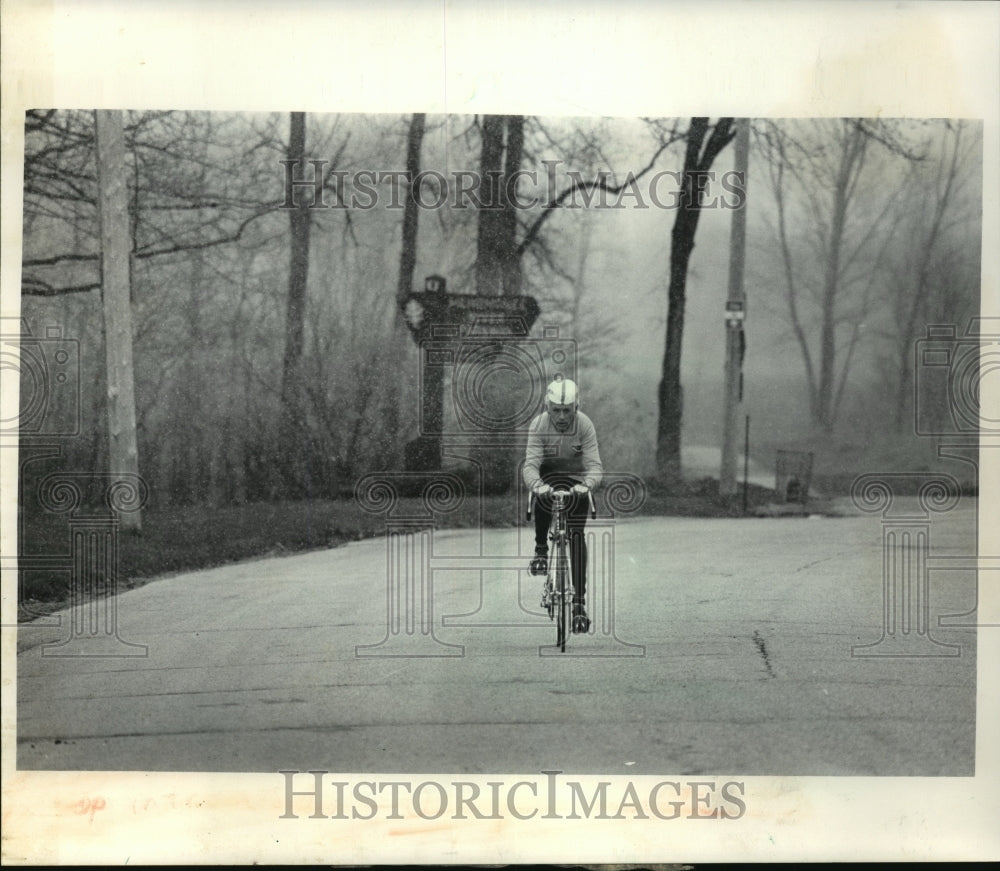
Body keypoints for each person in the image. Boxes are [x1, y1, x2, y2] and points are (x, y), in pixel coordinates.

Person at [523, 376, 603, 633]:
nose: (561, 416)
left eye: (566, 411)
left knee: (577, 536)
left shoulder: (585, 425)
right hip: (548, 477)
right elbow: (531, 465)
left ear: (575, 408)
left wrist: (587, 485)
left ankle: (579, 605)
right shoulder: (538, 425)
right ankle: (540, 550)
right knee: (543, 496)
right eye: (556, 410)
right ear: (548, 408)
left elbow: (595, 466)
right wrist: (537, 486)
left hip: (576, 481)